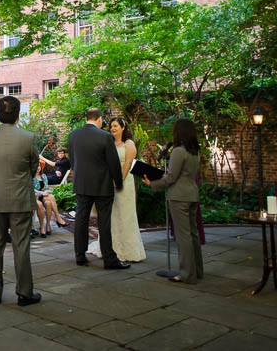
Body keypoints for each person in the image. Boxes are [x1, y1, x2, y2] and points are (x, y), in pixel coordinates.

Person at [0, 96, 41, 306]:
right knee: (21, 246)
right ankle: (25, 293)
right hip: (21, 198)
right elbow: (34, 168)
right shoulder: (28, 137)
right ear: (17, 114)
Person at [142, 118, 203, 283]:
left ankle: (186, 274)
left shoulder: (178, 151)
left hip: (179, 197)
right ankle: (197, 270)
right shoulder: (195, 151)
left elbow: (171, 178)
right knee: (193, 234)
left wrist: (152, 183)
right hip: (192, 194)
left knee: (183, 237)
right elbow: (182, 174)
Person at [68, 108, 129, 269]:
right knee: (104, 221)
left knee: (81, 220)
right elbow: (113, 163)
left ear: (87, 118)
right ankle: (109, 259)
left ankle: (80, 256)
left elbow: (72, 160)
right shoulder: (105, 136)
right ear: (99, 119)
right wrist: (119, 182)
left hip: (81, 184)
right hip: (102, 185)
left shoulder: (73, 135)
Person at [88, 118, 146, 262]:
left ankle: (128, 250)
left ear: (123, 127)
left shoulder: (129, 143)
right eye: (111, 126)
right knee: (111, 216)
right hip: (108, 183)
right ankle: (110, 248)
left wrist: (119, 181)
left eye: (115, 126)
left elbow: (128, 163)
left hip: (124, 183)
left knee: (126, 215)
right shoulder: (109, 143)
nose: (112, 128)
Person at [33, 164, 66, 237]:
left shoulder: (43, 176)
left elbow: (46, 187)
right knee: (49, 199)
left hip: (43, 196)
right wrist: (42, 193)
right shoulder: (31, 177)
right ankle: (43, 227)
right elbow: (31, 189)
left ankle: (48, 225)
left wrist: (47, 191)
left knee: (49, 201)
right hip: (35, 196)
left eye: (39, 166)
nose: (38, 168)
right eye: (36, 166)